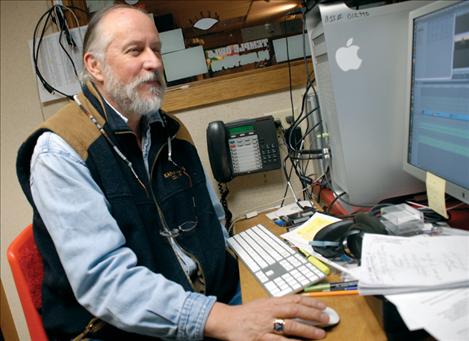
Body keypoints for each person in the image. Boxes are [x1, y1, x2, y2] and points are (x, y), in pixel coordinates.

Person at [17, 4, 331, 340]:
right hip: (120, 329)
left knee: (321, 304)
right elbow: (106, 283)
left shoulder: (169, 130)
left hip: (203, 301)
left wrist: (270, 261)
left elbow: (212, 224)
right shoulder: (59, 152)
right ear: (95, 66)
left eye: (157, 49)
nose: (153, 62)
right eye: (135, 50)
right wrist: (221, 318)